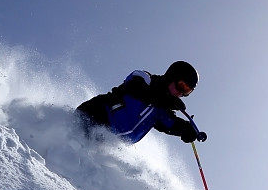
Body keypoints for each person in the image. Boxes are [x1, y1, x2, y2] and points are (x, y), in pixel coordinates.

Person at [77, 61, 207, 144]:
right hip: (94, 115)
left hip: (102, 139)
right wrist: (166, 100)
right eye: (181, 86)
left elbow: (170, 123)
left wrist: (187, 130)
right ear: (171, 76)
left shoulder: (160, 111)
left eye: (187, 91)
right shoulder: (144, 79)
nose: (181, 93)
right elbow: (136, 89)